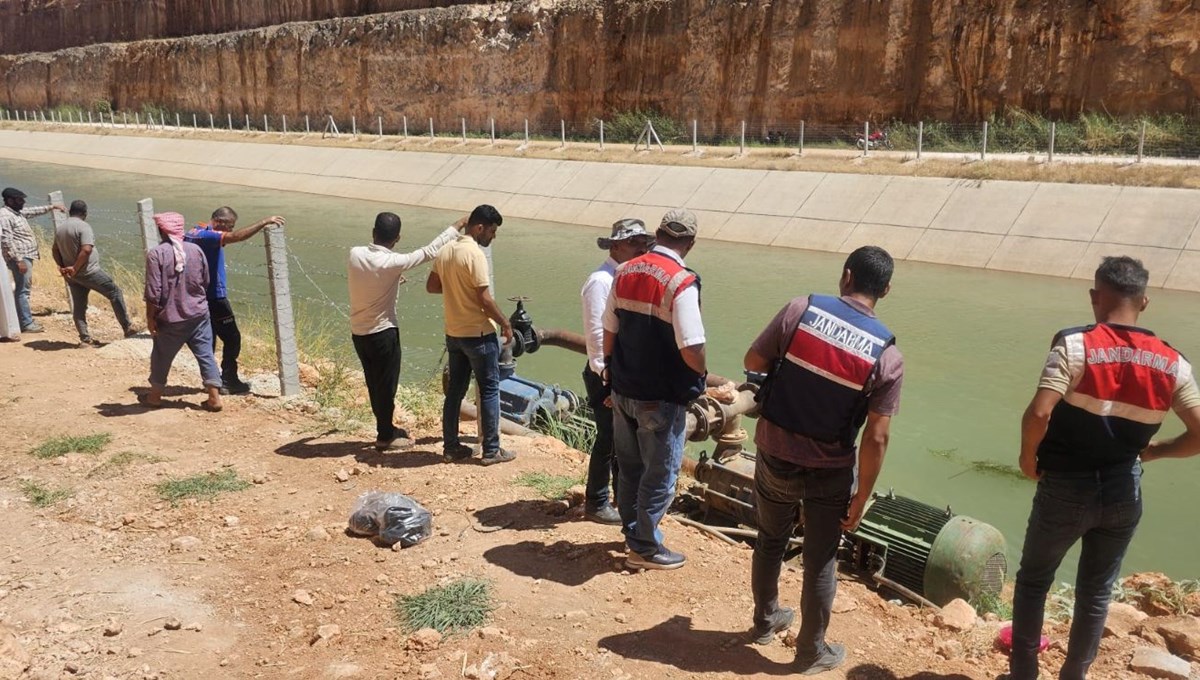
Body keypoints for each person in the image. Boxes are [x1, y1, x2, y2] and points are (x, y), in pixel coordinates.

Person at [1009, 256, 1200, 680]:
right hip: (1123, 492)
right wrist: (1154, 451)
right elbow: (1199, 434)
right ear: (1144, 302)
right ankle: (1073, 676)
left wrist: (1027, 459)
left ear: (1096, 297)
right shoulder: (1173, 363)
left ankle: (1024, 674)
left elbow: (1039, 414)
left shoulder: (1074, 345)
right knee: (1095, 593)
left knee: (1034, 581)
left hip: (1064, 488)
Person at [742, 245, 903, 674]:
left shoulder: (800, 310)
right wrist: (862, 494)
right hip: (830, 471)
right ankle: (810, 652)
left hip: (774, 451)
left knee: (770, 539)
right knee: (820, 560)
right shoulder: (888, 357)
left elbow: (753, 360)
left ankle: (764, 621)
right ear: (885, 289)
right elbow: (878, 436)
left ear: (846, 276)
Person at [603, 208, 706, 570]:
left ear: (657, 234)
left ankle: (632, 532)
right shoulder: (681, 281)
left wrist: (610, 374)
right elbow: (692, 346)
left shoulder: (624, 271)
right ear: (690, 243)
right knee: (660, 473)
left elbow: (609, 330)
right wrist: (702, 375)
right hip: (660, 398)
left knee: (629, 467)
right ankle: (645, 547)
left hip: (623, 390)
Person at [348, 212, 466, 451]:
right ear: (398, 238)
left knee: (374, 383)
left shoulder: (354, 253)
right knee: (387, 385)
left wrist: (392, 278)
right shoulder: (393, 263)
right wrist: (457, 225)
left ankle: (386, 427)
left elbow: (370, 274)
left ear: (373, 232)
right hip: (382, 333)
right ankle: (385, 435)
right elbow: (430, 251)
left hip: (358, 332)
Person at [426, 204, 514, 466]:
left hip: (454, 332)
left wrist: (455, 290)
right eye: (492, 230)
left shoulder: (445, 251)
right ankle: (491, 450)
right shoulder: (475, 254)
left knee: (455, 392)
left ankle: (452, 447)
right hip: (479, 333)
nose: (493, 236)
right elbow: (484, 298)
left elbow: (432, 286)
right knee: (488, 390)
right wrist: (505, 322)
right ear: (479, 227)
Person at [580, 218, 654, 525]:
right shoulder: (601, 282)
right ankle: (597, 501)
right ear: (615, 246)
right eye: (634, 243)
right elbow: (598, 338)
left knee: (622, 439)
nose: (641, 248)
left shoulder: (626, 278)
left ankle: (618, 497)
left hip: (620, 374)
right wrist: (607, 381)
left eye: (643, 243)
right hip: (606, 374)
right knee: (609, 437)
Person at [184, 206, 285, 395]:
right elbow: (236, 237)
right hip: (215, 296)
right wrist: (264, 222)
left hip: (198, 296)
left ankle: (211, 382)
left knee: (209, 339)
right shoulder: (209, 236)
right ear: (220, 222)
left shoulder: (193, 232)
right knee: (232, 338)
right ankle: (229, 380)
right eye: (229, 226)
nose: (230, 230)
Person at [143, 212, 223, 412]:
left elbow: (153, 292)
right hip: (198, 314)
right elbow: (205, 280)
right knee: (206, 355)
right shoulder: (196, 250)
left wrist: (150, 318)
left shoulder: (156, 254)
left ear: (162, 230)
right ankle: (214, 397)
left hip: (171, 318)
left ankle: (154, 396)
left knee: (161, 355)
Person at [51, 200, 138, 345]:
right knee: (115, 292)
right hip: (88, 272)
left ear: (70, 211)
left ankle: (85, 338)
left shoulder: (61, 228)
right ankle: (127, 328)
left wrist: (62, 267)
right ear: (84, 213)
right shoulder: (84, 226)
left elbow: (55, 250)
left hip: (72, 276)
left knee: (79, 305)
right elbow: (86, 249)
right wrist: (75, 267)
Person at [1, 187, 64, 333]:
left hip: (26, 256)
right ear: (10, 200)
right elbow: (6, 240)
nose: (23, 202)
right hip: (21, 257)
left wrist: (52, 206)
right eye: (19, 199)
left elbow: (33, 211)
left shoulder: (16, 212)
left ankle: (23, 319)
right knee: (23, 291)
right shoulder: (4, 216)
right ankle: (26, 324)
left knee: (23, 289)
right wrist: (18, 260)